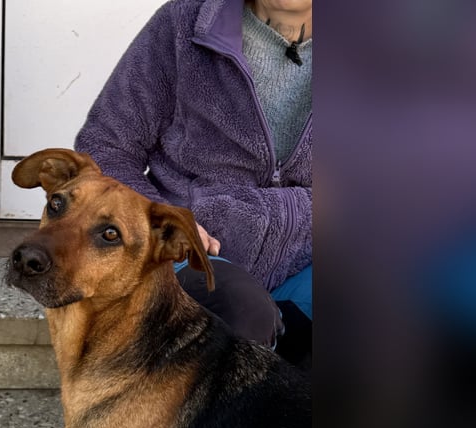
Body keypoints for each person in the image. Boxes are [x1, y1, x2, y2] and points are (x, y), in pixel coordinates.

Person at [75, 0, 312, 368]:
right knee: (243, 314)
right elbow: (105, 145)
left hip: (309, 255)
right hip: (196, 254)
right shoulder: (186, 23)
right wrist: (164, 219)